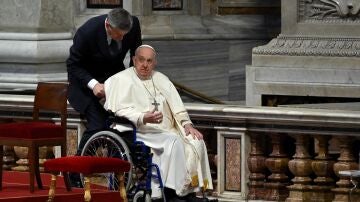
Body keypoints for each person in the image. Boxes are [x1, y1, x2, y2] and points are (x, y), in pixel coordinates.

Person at [104, 45, 213, 202]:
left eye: (149, 61)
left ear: (154, 63)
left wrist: (187, 124)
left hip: (166, 130)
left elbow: (178, 107)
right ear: (134, 60)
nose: (145, 65)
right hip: (140, 131)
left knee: (196, 142)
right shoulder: (121, 79)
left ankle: (192, 190)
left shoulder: (161, 79)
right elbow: (120, 110)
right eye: (141, 60)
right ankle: (173, 192)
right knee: (173, 142)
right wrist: (142, 117)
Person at [66, 8, 142, 155]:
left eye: (124, 35)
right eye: (119, 35)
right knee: (99, 124)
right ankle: (77, 170)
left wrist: (134, 82)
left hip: (114, 81)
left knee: (126, 123)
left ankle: (119, 169)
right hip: (86, 84)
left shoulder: (133, 25)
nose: (122, 38)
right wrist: (93, 84)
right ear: (108, 26)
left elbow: (136, 55)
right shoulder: (87, 32)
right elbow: (73, 65)